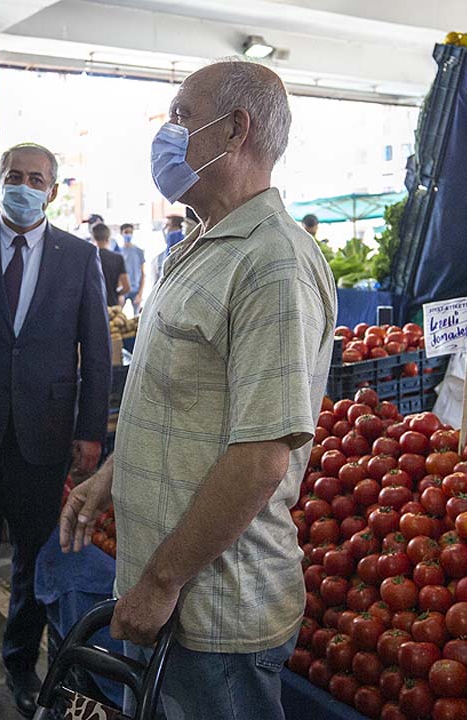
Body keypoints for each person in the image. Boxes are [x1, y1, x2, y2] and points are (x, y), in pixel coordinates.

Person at [60, 58, 336, 719]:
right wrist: (117, 474)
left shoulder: (272, 262)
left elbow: (259, 458)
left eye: (182, 117)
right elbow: (181, 399)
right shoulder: (200, 246)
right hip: (173, 596)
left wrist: (161, 579)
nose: (168, 134)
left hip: (216, 613)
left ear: (235, 129)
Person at [0, 142, 110, 720]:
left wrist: (91, 429)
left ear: (53, 189)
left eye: (35, 178)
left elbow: (96, 347)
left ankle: (21, 665)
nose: (23, 185)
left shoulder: (76, 256)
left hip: (44, 435)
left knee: (33, 563)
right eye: (13, 176)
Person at [93, 222, 130, 307]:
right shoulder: (117, 258)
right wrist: (116, 293)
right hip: (112, 304)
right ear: (108, 238)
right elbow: (126, 287)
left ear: (94, 238)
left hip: (94, 304)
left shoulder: (90, 258)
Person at [118, 222, 146, 310]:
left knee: (137, 319)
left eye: (130, 232)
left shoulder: (139, 251)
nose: (128, 235)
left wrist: (140, 293)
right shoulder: (118, 252)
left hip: (136, 289)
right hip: (123, 289)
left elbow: (142, 274)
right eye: (126, 232)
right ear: (121, 233)